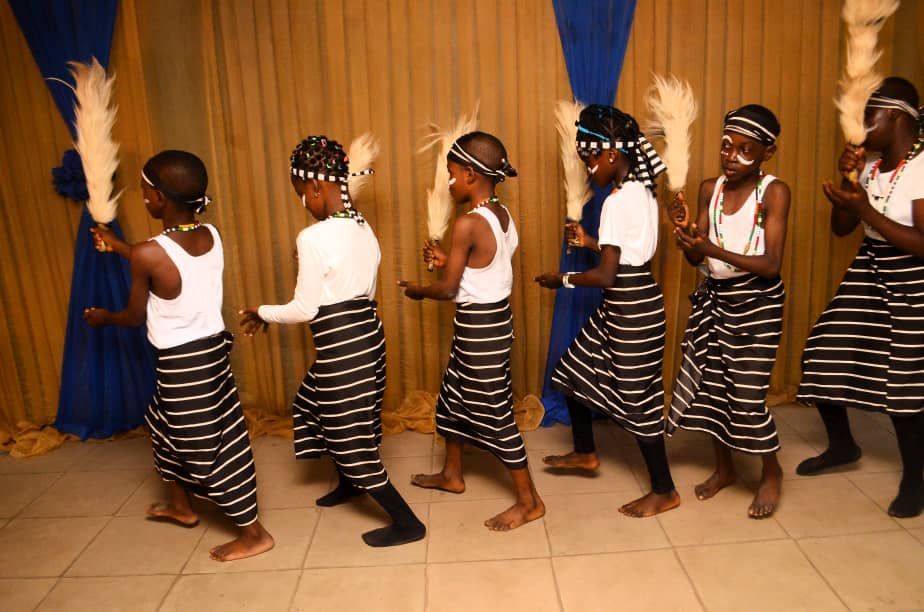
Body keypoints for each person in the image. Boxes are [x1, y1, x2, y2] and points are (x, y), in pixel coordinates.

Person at [84, 150, 274, 561]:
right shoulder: (210, 235)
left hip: (183, 366)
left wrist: (103, 318)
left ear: (160, 198)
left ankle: (254, 533)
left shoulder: (149, 253)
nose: (143, 198)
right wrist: (120, 247)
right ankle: (181, 506)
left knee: (205, 450)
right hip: (212, 354)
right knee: (162, 425)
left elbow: (134, 316)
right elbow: (165, 262)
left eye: (145, 191)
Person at [239, 135, 426, 546]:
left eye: (300, 193)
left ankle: (407, 523)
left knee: (349, 439)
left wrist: (262, 311)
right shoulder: (363, 227)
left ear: (315, 186)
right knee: (310, 402)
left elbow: (305, 308)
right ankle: (350, 484)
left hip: (344, 347)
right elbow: (354, 286)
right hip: (367, 338)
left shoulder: (313, 237)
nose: (302, 203)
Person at [535, 104, 680, 517]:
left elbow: (606, 275)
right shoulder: (642, 191)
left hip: (629, 309)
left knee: (639, 401)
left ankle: (665, 490)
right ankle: (585, 452)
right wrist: (589, 242)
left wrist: (561, 279)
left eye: (590, 158)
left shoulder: (616, 202)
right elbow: (629, 255)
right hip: (635, 299)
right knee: (572, 371)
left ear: (612, 154)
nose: (588, 168)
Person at [398, 131, 545, 531]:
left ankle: (530, 501)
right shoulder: (501, 214)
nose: (448, 182)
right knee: (452, 400)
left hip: (481, 330)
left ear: (469, 174)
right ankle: (452, 474)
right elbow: (485, 269)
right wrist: (449, 259)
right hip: (491, 323)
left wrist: (418, 290)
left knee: (496, 415)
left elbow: (449, 290)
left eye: (451, 174)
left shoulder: (467, 223)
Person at [797, 77, 924, 519]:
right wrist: (848, 180)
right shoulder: (871, 166)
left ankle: (915, 481)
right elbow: (841, 228)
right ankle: (843, 446)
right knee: (822, 353)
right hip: (869, 270)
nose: (860, 126)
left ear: (896, 117)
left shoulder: (922, 167)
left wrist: (866, 209)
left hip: (913, 280)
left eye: (868, 116)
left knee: (904, 385)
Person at [666, 105, 791, 519]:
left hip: (759, 304)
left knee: (747, 395)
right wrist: (686, 237)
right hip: (716, 298)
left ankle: (771, 472)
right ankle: (725, 469)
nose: (731, 157)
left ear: (767, 152)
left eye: (744, 149)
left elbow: (771, 264)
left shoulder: (774, 192)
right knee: (713, 389)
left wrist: (710, 249)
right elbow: (697, 258)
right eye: (725, 146)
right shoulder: (710, 189)